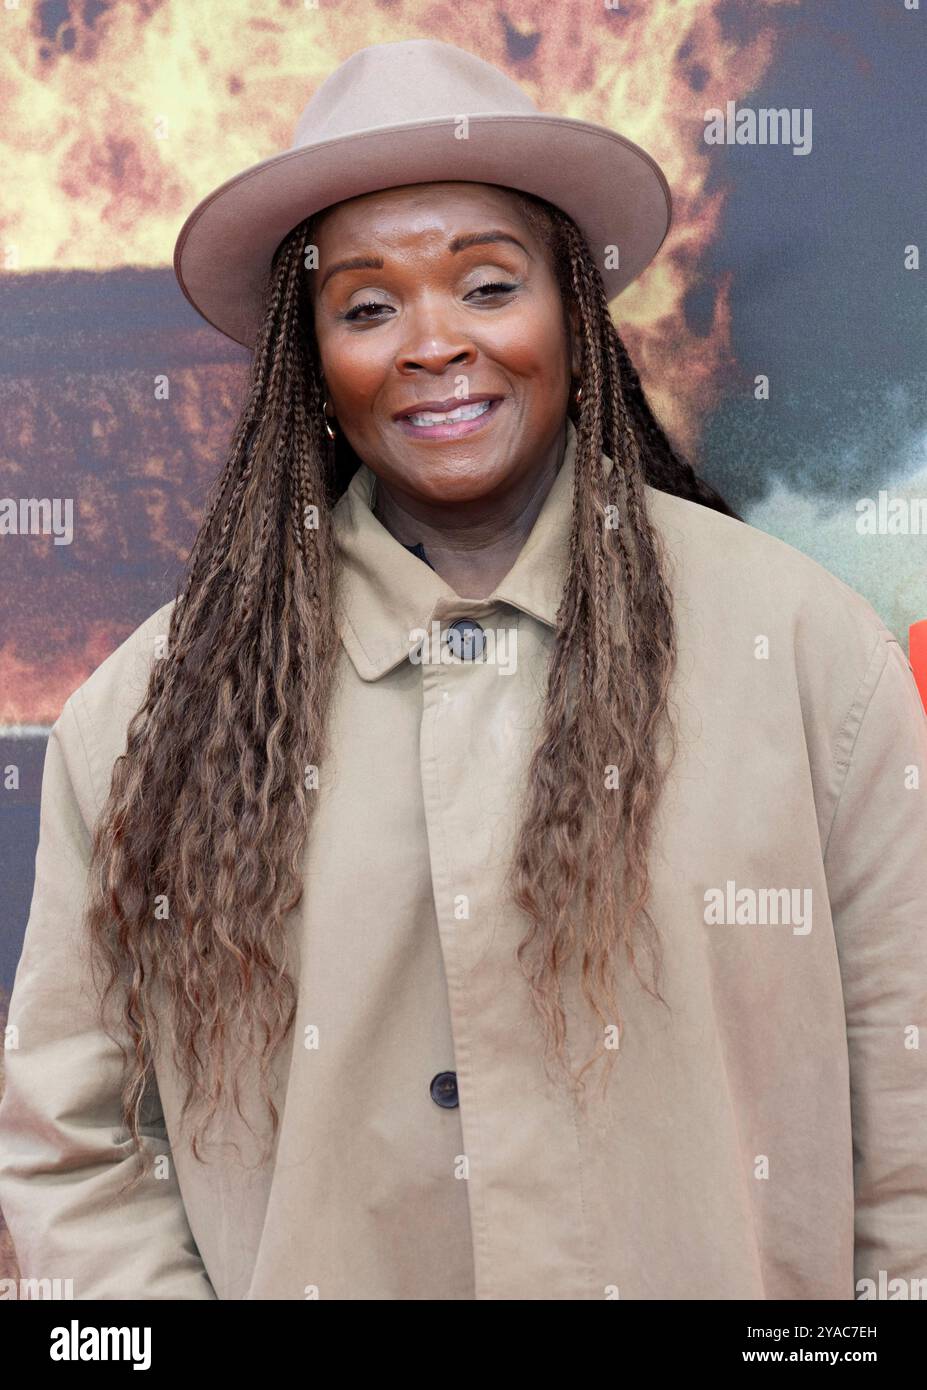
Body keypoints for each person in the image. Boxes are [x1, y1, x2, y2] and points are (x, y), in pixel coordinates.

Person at [0, 38, 925, 1302]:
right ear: (308, 362)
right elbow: (73, 1139)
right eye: (368, 306)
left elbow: (908, 1113)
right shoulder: (146, 718)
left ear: (573, 317)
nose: (433, 343)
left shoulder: (810, 654)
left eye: (490, 286)